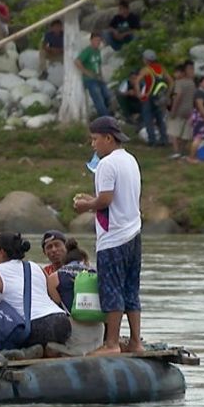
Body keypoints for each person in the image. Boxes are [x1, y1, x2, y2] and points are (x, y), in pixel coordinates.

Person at [73, 116, 144, 356]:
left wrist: (85, 205)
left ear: (108, 138)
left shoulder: (107, 164)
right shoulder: (130, 160)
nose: (93, 145)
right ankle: (136, 342)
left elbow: (105, 200)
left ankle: (111, 343)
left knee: (111, 288)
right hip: (134, 232)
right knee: (131, 289)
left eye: (94, 139)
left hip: (113, 237)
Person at [0, 233, 71, 351]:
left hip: (36, 326)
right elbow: (54, 298)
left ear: (2, 252)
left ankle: (22, 351)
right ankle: (47, 350)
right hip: (62, 322)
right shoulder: (36, 266)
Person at [46, 239, 96, 312]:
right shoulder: (95, 273)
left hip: (70, 321)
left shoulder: (54, 278)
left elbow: (57, 304)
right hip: (96, 320)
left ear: (64, 260)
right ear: (84, 259)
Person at [135, 50, 172, 147]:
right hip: (159, 97)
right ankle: (164, 139)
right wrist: (167, 95)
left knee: (148, 119)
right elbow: (171, 82)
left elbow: (137, 81)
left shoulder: (146, 70)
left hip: (148, 97)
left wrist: (139, 93)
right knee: (160, 119)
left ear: (146, 60)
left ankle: (152, 140)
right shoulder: (161, 69)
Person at [75, 33, 112, 118]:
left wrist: (101, 76)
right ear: (91, 41)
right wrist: (86, 72)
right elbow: (77, 61)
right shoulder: (88, 51)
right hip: (89, 79)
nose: (98, 42)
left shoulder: (98, 51)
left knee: (107, 95)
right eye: (96, 40)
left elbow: (98, 65)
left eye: (99, 40)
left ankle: (106, 112)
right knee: (98, 97)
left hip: (97, 77)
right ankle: (106, 116)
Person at [168, 61, 196, 160]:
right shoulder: (192, 83)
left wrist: (173, 111)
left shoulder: (179, 83)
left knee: (173, 131)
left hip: (179, 110)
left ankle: (176, 151)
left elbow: (177, 96)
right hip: (189, 110)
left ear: (182, 73)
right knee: (185, 132)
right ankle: (182, 150)